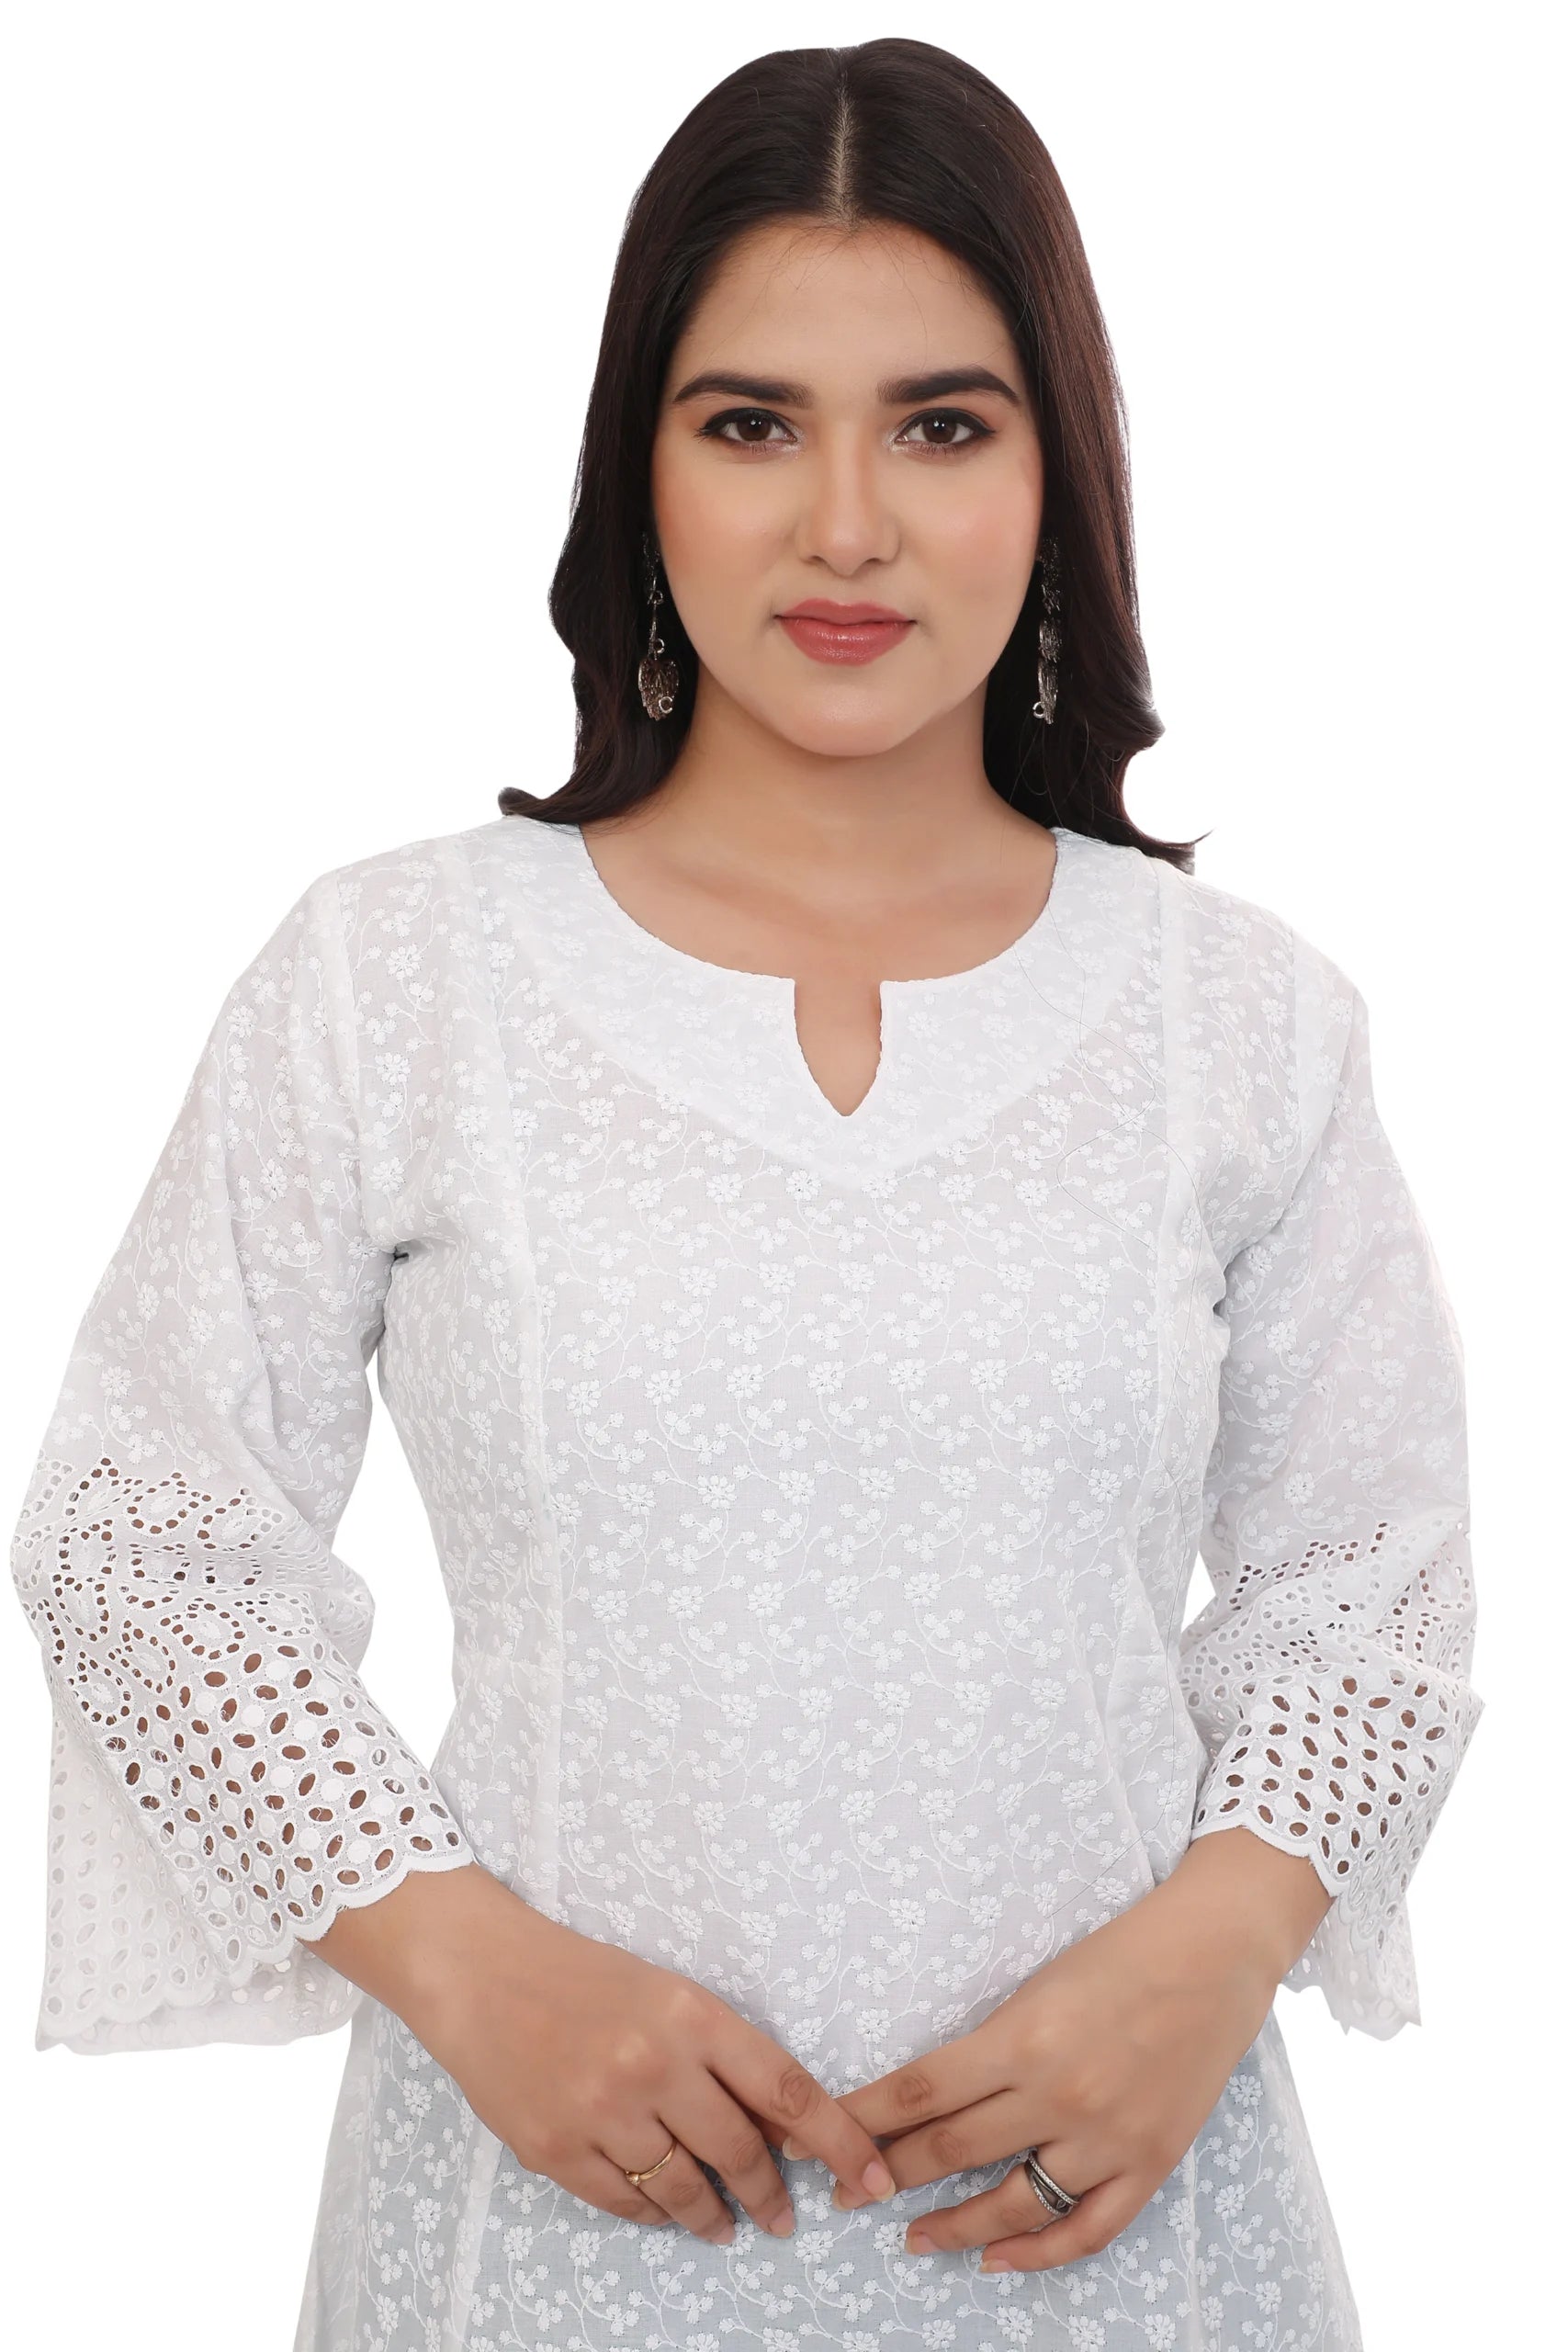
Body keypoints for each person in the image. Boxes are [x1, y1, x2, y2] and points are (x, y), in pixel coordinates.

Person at [9, 37, 1483, 2352]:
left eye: (940, 424)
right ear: (639, 464)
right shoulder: (395, 981)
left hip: (1127, 2251)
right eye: (750, 423)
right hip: (529, 2256)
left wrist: (1213, 1943)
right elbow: (140, 1543)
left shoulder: (1238, 1021)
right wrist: (454, 1952)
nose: (846, 527)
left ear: (1055, 467)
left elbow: (1364, 1589)